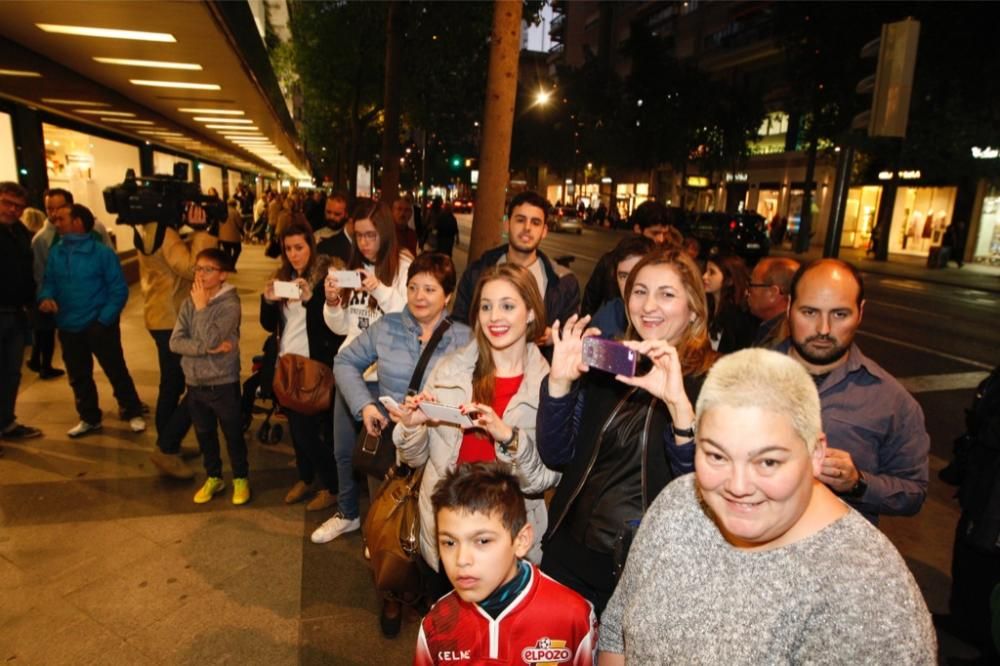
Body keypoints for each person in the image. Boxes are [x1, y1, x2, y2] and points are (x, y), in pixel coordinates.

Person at [597, 349, 936, 665]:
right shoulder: (678, 502)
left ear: (816, 453)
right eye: (716, 455)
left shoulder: (869, 597)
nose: (738, 487)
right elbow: (616, 633)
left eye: (768, 462)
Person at [537, 248, 716, 614]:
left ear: (694, 309)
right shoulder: (612, 361)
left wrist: (681, 410)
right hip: (568, 557)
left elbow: (703, 498)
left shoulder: (713, 383)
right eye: (639, 291)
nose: (649, 305)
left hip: (642, 574)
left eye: (666, 294)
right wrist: (558, 385)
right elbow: (557, 455)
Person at [389, 264, 558, 600]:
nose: (495, 316)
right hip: (447, 539)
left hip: (508, 547)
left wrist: (507, 436)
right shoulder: (450, 368)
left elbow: (544, 480)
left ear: (530, 314)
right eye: (486, 306)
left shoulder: (550, 388)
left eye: (508, 306)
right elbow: (413, 458)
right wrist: (412, 427)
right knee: (450, 639)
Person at [333, 252, 471, 637]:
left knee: (433, 529)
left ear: (448, 294)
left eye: (430, 288)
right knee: (388, 531)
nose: (419, 295)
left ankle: (430, 600)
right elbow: (345, 362)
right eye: (413, 287)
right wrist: (365, 407)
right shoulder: (387, 326)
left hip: (442, 452)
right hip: (393, 449)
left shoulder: (465, 338)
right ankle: (392, 596)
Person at [780, 259, 929, 525]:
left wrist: (858, 483)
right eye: (810, 312)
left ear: (860, 312)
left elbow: (914, 492)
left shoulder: (891, 400)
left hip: (837, 559)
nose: (823, 329)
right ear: (789, 306)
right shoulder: (744, 375)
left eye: (839, 314)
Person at [415, 462, 596, 666]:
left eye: (482, 541)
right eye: (449, 542)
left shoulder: (572, 617)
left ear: (521, 541)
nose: (461, 559)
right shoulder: (437, 623)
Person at [316, 199, 412, 543]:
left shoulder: (402, 267)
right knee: (343, 451)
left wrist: (379, 289)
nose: (365, 243)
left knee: (383, 459)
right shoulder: (352, 268)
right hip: (352, 373)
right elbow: (343, 328)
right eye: (359, 236)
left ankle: (384, 526)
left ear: (385, 232)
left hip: (386, 378)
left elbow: (409, 317)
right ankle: (348, 513)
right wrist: (332, 302)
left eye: (371, 235)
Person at [38, 204, 146, 437]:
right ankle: (89, 417)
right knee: (78, 375)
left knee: (116, 370)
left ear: (78, 222)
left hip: (99, 325)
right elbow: (49, 282)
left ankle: (132, 410)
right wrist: (45, 297)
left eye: (61, 219)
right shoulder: (56, 252)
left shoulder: (102, 253)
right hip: (68, 325)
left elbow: (118, 290)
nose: (56, 224)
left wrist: (103, 320)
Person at [261, 223, 345, 511]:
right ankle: (306, 477)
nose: (294, 254)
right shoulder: (282, 277)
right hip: (286, 363)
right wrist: (268, 300)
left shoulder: (325, 278)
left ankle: (334, 486)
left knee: (307, 432)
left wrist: (311, 298)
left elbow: (332, 326)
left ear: (311, 245)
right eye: (288, 249)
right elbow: (266, 323)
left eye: (300, 247)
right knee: (297, 430)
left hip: (312, 366)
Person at [136, 203, 217, 479]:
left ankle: (169, 444)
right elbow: (195, 269)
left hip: (159, 316)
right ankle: (167, 447)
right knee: (199, 383)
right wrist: (201, 232)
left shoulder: (147, 228)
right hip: (173, 321)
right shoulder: (166, 233)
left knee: (171, 384)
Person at [169, 249, 248, 505]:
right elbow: (175, 342)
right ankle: (214, 476)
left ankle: (240, 478)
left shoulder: (230, 305)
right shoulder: (188, 303)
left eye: (208, 269)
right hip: (194, 382)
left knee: (232, 433)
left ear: (223, 275)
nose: (200, 274)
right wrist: (207, 349)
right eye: (198, 268)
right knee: (204, 434)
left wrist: (203, 309)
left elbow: (213, 336)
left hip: (223, 381)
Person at [452, 191, 579, 339]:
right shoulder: (477, 273)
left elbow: (573, 333)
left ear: (544, 231)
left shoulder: (564, 283)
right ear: (507, 225)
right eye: (520, 220)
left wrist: (554, 336)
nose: (527, 227)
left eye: (535, 222)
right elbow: (459, 327)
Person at [29, 188, 112, 379]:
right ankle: (88, 409)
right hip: (68, 319)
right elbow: (42, 278)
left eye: (60, 208)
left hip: (100, 317)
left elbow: (113, 274)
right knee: (79, 373)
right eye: (50, 209)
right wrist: (45, 298)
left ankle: (129, 404)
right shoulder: (42, 240)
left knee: (113, 366)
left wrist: (107, 315)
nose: (55, 214)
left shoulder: (96, 229)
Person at [580, 200, 681, 317]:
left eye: (664, 233)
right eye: (655, 233)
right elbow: (590, 303)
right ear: (638, 229)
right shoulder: (611, 261)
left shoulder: (671, 263)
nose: (661, 239)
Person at [0, 181, 42, 448]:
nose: (13, 210)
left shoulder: (21, 233)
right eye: (7, 203)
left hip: (15, 313)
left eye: (19, 206)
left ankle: (6, 422)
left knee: (12, 373)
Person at [590, 235, 655, 340]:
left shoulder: (667, 319)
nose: (630, 283)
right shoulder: (607, 317)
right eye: (623, 276)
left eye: (637, 274)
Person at [703, 254, 757, 353]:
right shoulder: (708, 305)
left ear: (729, 280)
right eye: (705, 271)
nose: (704, 276)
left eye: (712, 272)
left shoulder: (738, 317)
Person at [746, 256, 799, 349]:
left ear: (772, 293)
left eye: (752, 285)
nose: (746, 292)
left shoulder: (785, 337)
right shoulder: (771, 326)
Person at [314, 191, 352, 264]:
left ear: (346, 214)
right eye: (328, 212)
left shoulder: (351, 235)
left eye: (337, 214)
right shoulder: (316, 235)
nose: (331, 217)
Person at [218, 198, 243, 268]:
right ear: (235, 204)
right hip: (233, 236)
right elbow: (240, 224)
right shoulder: (235, 212)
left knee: (227, 251)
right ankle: (231, 265)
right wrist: (243, 233)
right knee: (238, 250)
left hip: (223, 236)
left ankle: (229, 265)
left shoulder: (222, 212)